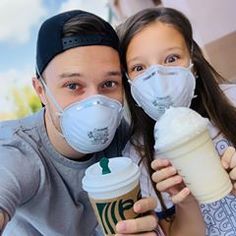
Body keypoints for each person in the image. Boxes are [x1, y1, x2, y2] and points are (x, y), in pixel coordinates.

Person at [0, 10, 160, 236]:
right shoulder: (16, 152)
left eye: (108, 83)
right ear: (41, 91)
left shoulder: (124, 139)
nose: (95, 104)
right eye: (73, 86)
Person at [117, 7, 236, 236]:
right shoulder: (138, 156)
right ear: (128, 81)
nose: (158, 79)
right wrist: (185, 202)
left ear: (193, 60)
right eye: (139, 68)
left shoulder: (232, 100)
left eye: (171, 59)